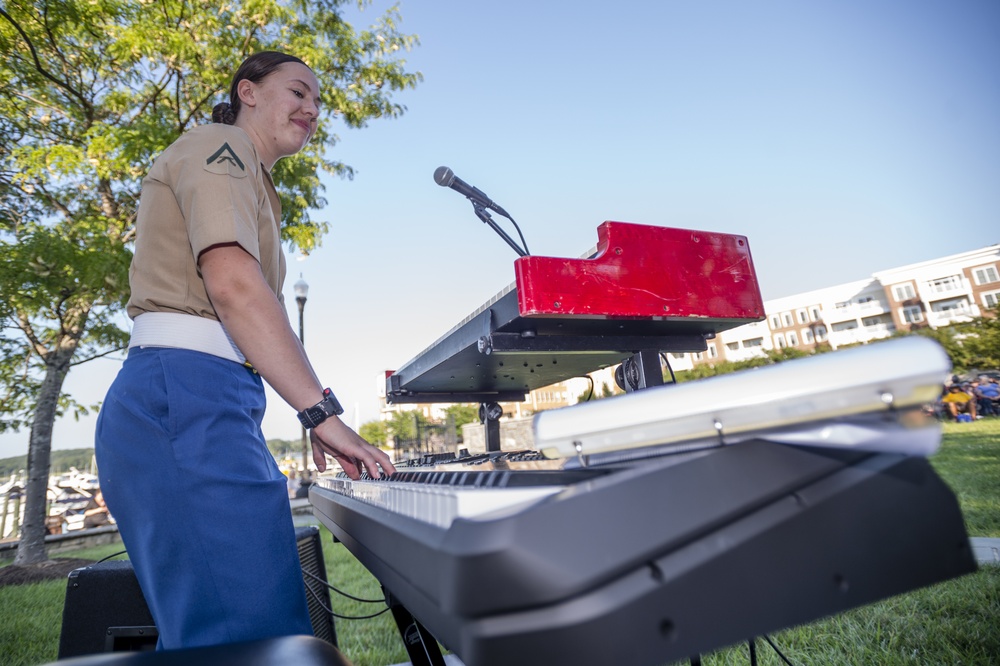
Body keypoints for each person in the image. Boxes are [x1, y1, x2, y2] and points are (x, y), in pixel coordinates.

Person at [95, 51, 395, 650]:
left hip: (208, 398)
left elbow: (252, 310)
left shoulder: (249, 177)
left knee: (224, 632)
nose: (311, 109)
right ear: (248, 93)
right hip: (184, 397)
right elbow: (233, 287)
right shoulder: (220, 149)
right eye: (297, 91)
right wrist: (322, 414)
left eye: (317, 101)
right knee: (249, 642)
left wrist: (307, 405)